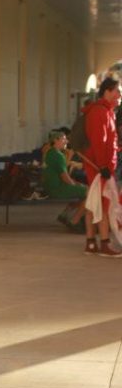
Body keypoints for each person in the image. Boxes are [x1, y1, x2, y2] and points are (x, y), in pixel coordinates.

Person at [81, 77, 122, 257]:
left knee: (93, 203)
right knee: (104, 204)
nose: (119, 94)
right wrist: (104, 166)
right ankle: (105, 243)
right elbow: (99, 141)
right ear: (106, 91)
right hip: (99, 167)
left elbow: (106, 142)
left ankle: (91, 243)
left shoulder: (105, 111)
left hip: (97, 165)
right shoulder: (101, 112)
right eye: (116, 91)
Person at [42, 129, 88, 233]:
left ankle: (64, 215)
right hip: (57, 188)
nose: (66, 141)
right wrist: (76, 185)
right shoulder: (58, 156)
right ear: (56, 140)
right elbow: (65, 177)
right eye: (64, 139)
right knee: (89, 193)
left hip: (50, 187)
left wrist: (76, 185)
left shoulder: (49, 153)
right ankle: (75, 221)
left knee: (81, 192)